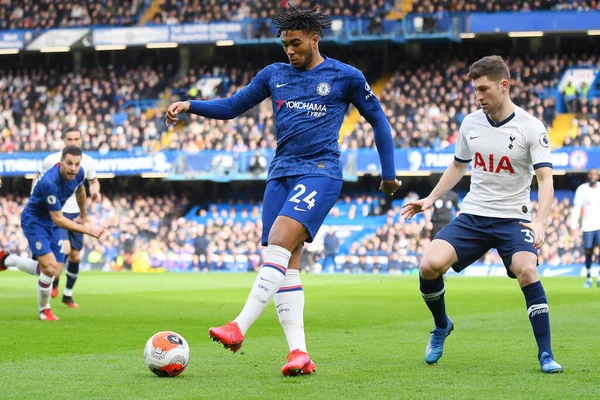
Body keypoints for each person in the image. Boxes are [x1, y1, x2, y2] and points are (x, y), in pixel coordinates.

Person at [165, 5, 401, 376]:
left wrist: (388, 174)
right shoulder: (274, 74)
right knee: (287, 264)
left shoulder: (345, 76)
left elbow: (379, 121)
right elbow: (231, 107)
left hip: (320, 171)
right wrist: (191, 104)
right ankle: (299, 353)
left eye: (296, 43)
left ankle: (238, 327)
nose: (289, 50)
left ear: (314, 39)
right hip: (280, 175)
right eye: (285, 44)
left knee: (279, 240)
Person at [402, 55, 562, 373]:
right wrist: (431, 198)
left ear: (504, 86)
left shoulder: (531, 127)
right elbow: (458, 166)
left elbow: (545, 179)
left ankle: (546, 354)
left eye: (484, 89)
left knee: (527, 270)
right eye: (475, 90)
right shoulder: (470, 123)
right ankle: (441, 325)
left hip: (513, 217)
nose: (479, 97)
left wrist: (540, 220)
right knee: (429, 264)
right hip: (474, 215)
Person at [1, 146, 103, 320]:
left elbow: (80, 191)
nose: (73, 168)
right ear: (61, 161)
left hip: (52, 220)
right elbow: (58, 219)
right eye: (69, 163)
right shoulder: (50, 182)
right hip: (35, 221)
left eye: (76, 164)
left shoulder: (79, 174)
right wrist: (88, 229)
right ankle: (44, 310)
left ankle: (6, 260)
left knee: (53, 270)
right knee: (49, 268)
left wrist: (84, 215)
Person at [34, 127, 102, 307]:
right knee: (64, 249)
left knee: (75, 256)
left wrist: (95, 193)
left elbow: (93, 182)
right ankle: (54, 283)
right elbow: (38, 178)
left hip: (78, 213)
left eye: (76, 139)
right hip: (59, 211)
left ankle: (68, 294)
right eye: (69, 139)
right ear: (64, 140)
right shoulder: (52, 160)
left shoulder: (87, 162)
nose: (73, 142)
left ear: (81, 140)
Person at [570, 168, 600, 288]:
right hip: (587, 226)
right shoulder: (582, 189)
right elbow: (577, 208)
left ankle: (599, 276)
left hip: (599, 225)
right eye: (591, 174)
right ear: (588, 176)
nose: (593, 176)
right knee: (588, 251)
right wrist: (573, 225)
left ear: (598, 176)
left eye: (595, 174)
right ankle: (588, 277)